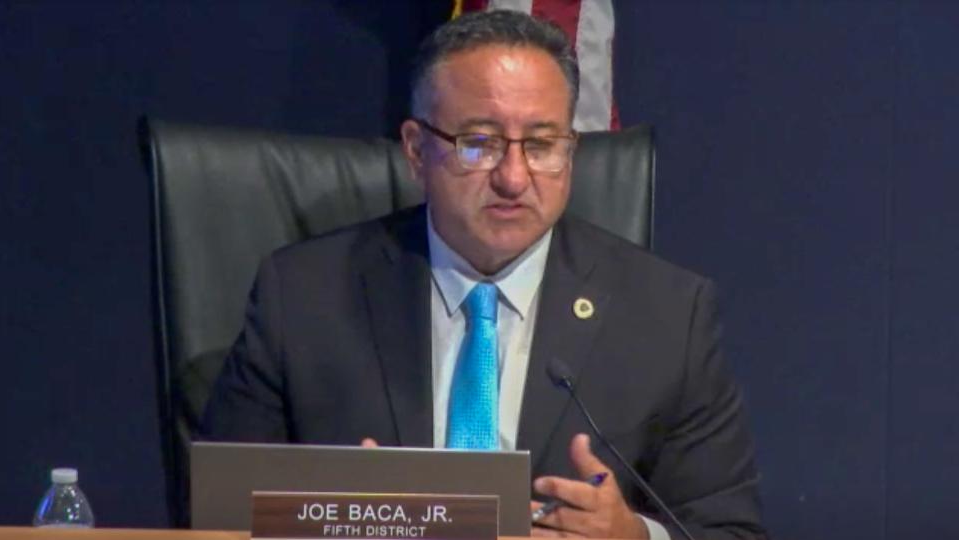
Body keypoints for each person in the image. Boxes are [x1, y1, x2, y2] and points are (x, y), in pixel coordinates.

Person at [202, 10, 766, 540]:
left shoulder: (668, 314)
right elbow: (216, 520)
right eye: (479, 144)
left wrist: (634, 536)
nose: (514, 178)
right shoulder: (302, 297)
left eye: (542, 144)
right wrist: (335, 519)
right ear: (417, 151)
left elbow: (729, 530)